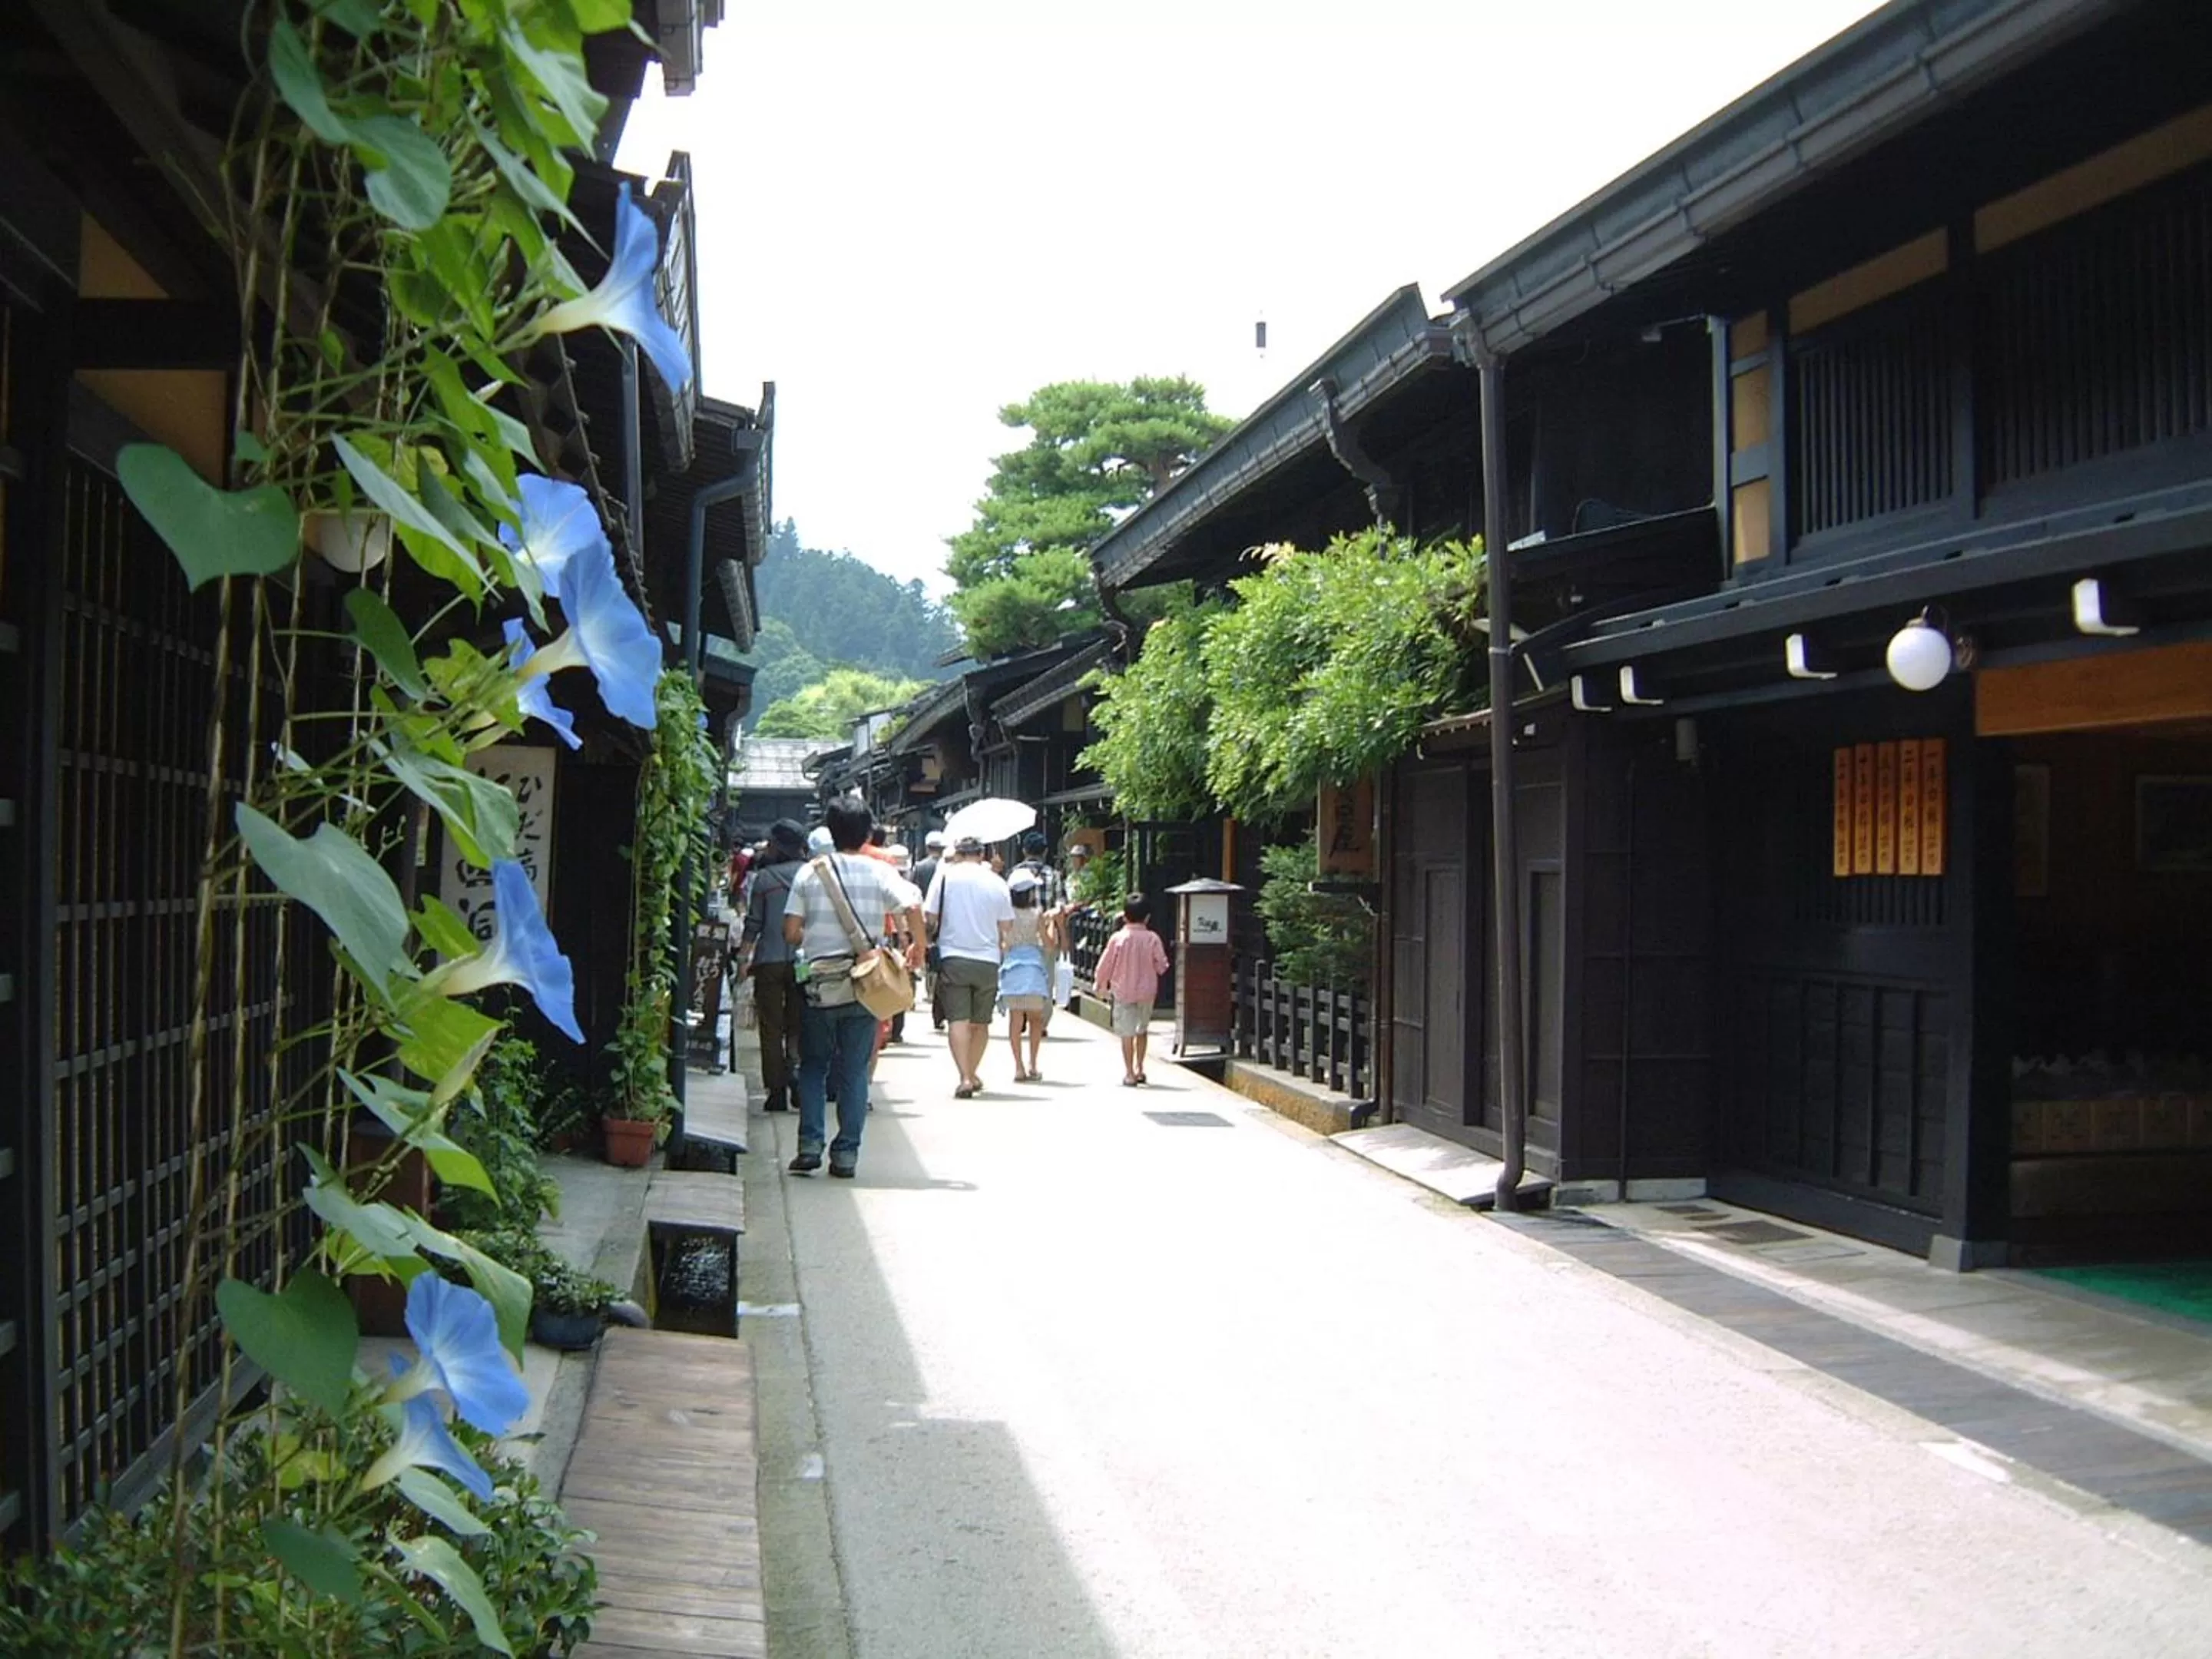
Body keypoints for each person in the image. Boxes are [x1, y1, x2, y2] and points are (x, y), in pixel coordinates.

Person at [782, 798, 925, 1179]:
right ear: (866, 833)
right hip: (865, 984)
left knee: (813, 1066)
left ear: (831, 830)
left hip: (820, 985)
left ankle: (810, 1145)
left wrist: (815, 937)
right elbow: (912, 904)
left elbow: (790, 931)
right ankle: (845, 1155)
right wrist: (919, 947)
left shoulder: (810, 873)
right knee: (855, 1069)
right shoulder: (880, 872)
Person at [923, 835, 1012, 1098]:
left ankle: (963, 1077)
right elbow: (1006, 926)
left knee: (958, 1020)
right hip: (988, 959)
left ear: (958, 854)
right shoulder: (997, 882)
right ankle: (972, 1073)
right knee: (981, 1022)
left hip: (953, 956)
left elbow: (930, 916)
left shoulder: (944, 877)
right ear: (981, 854)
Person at [739, 820, 809, 1113]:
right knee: (799, 1024)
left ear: (778, 846)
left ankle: (776, 1091)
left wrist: (743, 959)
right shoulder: (812, 876)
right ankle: (796, 1074)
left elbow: (753, 924)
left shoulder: (764, 879)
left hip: (768, 961)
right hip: (804, 962)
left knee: (770, 1027)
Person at [1094, 892, 1170, 1087]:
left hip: (1123, 991)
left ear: (1125, 916)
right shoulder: (1153, 938)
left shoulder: (1118, 938)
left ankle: (1129, 1073)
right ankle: (1140, 1068)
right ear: (1148, 917)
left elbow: (1106, 963)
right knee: (1142, 1029)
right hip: (1146, 992)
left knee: (1127, 1033)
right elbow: (1161, 965)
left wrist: (1100, 983)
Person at [998, 869, 1060, 1081]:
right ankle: (1033, 1064)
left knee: (1015, 1019)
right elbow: (1049, 945)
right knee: (1036, 1019)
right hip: (1033, 968)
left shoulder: (1006, 914)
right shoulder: (1037, 914)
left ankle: (1018, 1066)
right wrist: (1052, 925)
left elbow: (1002, 943)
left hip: (1012, 968)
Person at [1013, 830, 1065, 1033]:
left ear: (1024, 851)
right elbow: (1060, 906)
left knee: (1020, 974)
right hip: (1046, 935)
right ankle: (1041, 1022)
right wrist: (1062, 934)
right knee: (1045, 979)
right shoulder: (1054, 875)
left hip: (1020, 933)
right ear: (1045, 852)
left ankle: (1021, 1014)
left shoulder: (1015, 873)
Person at [910, 830, 947, 1031]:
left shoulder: (920, 867)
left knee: (926, 950)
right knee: (936, 953)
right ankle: (933, 990)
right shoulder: (948, 868)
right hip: (943, 915)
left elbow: (913, 889)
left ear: (927, 847)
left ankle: (929, 987)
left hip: (924, 913)